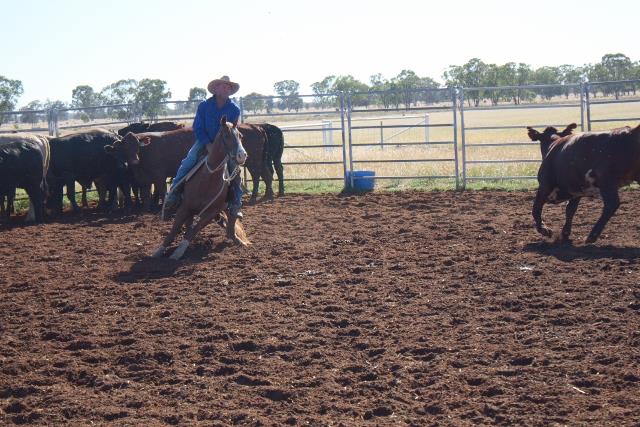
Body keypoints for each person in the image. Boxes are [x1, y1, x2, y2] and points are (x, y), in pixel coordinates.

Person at [164, 76, 244, 218]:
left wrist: (224, 146)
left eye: (229, 87)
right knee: (189, 161)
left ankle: (236, 203)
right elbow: (198, 127)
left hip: (225, 144)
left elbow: (233, 129)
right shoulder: (204, 106)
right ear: (216, 89)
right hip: (204, 141)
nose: (226, 89)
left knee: (234, 169)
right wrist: (208, 144)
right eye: (223, 86)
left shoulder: (234, 109)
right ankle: (173, 194)